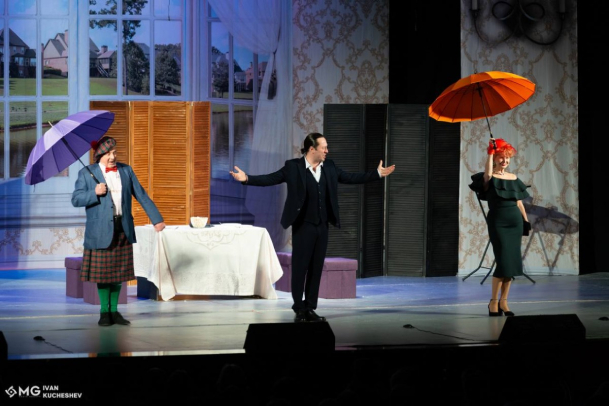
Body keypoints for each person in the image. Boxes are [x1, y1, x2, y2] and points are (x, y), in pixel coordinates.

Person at [229, 132, 395, 322]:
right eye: (323, 147)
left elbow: (350, 177)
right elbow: (271, 179)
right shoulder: (293, 167)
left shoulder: (329, 167)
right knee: (300, 268)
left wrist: (376, 174)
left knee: (316, 268)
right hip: (303, 225)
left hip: (322, 226)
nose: (327, 151)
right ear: (311, 149)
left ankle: (310, 307)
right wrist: (247, 178)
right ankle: (299, 308)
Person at [72, 136, 166, 326]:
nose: (113, 157)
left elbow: (141, 195)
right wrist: (94, 192)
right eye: (109, 153)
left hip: (123, 228)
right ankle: (104, 312)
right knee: (103, 275)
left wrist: (157, 219)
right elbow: (76, 199)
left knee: (118, 274)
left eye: (114, 152)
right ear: (100, 155)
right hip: (99, 231)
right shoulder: (86, 173)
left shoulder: (126, 170)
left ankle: (114, 312)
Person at [469, 138, 530, 317]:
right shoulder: (489, 177)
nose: (505, 161)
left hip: (515, 222)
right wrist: (489, 152)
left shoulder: (513, 178)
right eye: (501, 157)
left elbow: (519, 202)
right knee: (503, 261)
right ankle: (493, 301)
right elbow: (488, 175)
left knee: (511, 263)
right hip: (498, 222)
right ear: (495, 159)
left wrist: (525, 221)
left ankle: (504, 301)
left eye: (507, 158)